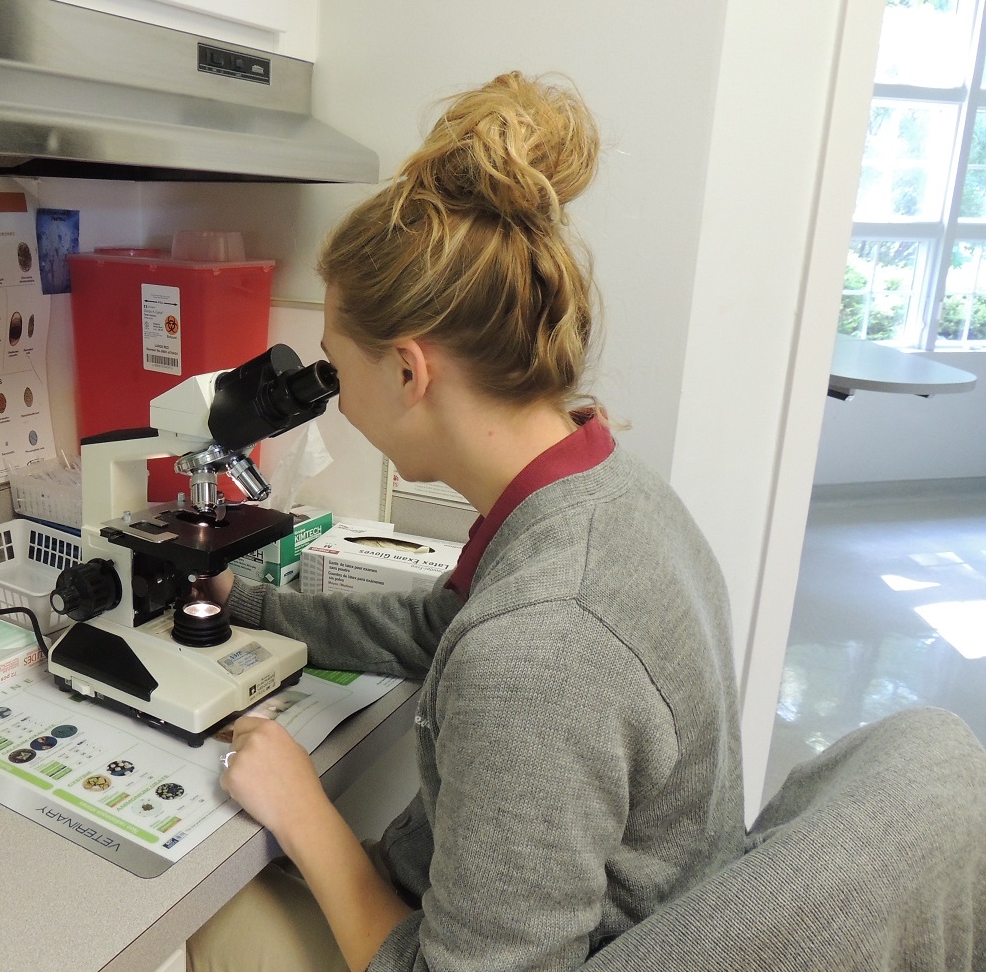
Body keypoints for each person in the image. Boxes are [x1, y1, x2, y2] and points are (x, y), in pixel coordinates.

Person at [187, 72, 746, 972]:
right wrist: (245, 601)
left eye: (335, 369)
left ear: (409, 372)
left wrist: (303, 810)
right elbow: (433, 628)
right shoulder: (602, 494)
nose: (330, 400)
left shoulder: (542, 647)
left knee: (211, 916)